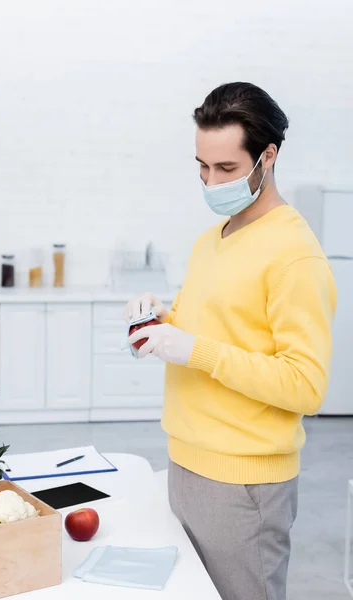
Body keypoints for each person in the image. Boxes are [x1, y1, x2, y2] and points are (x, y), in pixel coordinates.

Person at [124, 82, 337, 600]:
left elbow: (305, 385)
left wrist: (192, 349)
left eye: (226, 169)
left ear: (268, 157)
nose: (210, 181)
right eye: (202, 165)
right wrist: (158, 323)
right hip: (186, 461)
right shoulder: (213, 238)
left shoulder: (294, 254)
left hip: (243, 486)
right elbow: (220, 327)